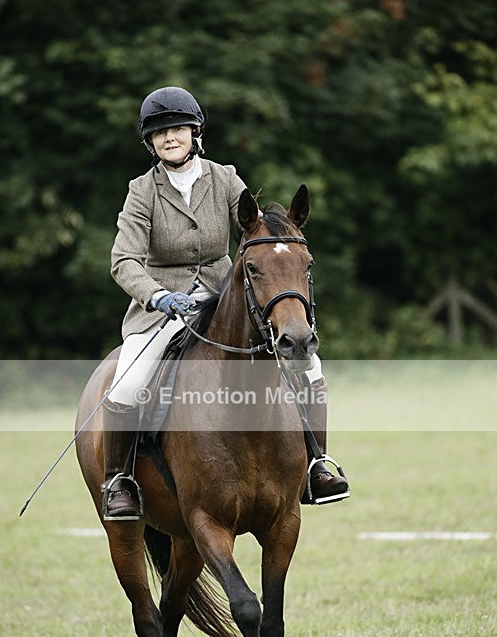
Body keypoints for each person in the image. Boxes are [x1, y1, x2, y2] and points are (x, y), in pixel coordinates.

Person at [103, 85, 349, 519]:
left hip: (227, 297)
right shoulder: (142, 191)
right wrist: (158, 296)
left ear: (195, 132)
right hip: (164, 307)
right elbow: (124, 260)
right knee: (127, 381)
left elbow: (254, 229)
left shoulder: (225, 177)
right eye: (160, 133)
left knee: (309, 366)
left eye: (177, 129)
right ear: (150, 142)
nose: (170, 138)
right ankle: (119, 480)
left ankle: (316, 465)